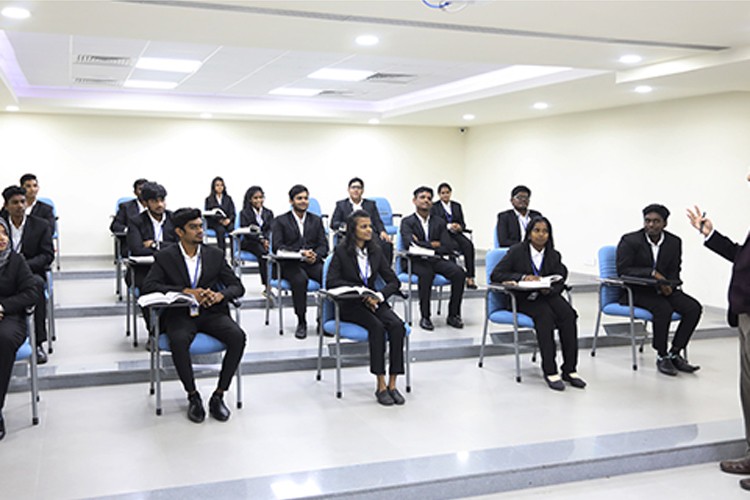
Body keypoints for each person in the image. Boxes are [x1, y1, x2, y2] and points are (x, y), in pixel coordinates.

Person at [142, 208, 246, 423]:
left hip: (210, 312)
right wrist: (185, 291)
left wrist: (219, 296)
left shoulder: (214, 254)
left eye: (201, 226)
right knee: (179, 340)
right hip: (180, 313)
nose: (200, 230)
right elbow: (149, 286)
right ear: (180, 232)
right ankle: (193, 395)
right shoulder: (165, 256)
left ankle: (218, 395)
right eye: (194, 227)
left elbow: (237, 286)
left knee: (238, 336)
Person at [686, 175, 750, 490]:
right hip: (746, 314)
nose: (749, 177)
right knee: (748, 391)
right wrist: (711, 234)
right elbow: (744, 257)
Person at [326, 210, 407, 406]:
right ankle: (380, 385)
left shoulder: (376, 251)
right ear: (353, 230)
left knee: (397, 326)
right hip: (351, 304)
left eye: (370, 226)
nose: (369, 230)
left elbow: (393, 281)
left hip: (374, 300)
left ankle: (393, 383)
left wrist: (379, 296)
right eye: (364, 227)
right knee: (377, 328)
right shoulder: (341, 252)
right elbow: (331, 282)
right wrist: (360, 291)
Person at [616, 204, 702, 376]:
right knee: (663, 309)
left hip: (665, 288)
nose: (651, 225)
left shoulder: (674, 242)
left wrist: (669, 285)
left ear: (665, 223)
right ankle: (661, 355)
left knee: (694, 308)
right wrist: (652, 274)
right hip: (637, 291)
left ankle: (675, 352)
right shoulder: (630, 240)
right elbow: (623, 271)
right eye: (647, 221)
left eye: (656, 221)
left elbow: (675, 270)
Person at [400, 186, 465, 331]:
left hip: (435, 259)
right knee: (426, 274)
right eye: (422, 197)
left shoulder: (439, 222)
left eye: (429, 198)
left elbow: (446, 246)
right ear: (414, 201)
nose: (426, 201)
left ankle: (453, 315)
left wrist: (424, 245)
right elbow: (410, 245)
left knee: (459, 273)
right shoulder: (407, 221)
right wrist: (432, 244)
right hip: (414, 261)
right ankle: (425, 316)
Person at [0, 218, 42, 440]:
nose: (1, 238)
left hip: (10, 317)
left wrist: (3, 306)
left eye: (3, 233)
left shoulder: (16, 261)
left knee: (4, 340)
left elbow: (31, 293)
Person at [2, 186, 53, 364]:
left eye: (23, 202)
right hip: (2, 274)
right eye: (15, 203)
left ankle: (38, 342)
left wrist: (21, 266)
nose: (20, 206)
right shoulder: (1, 226)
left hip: (29, 273)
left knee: (37, 287)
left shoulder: (40, 225)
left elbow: (47, 255)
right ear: (6, 206)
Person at [272, 184, 329, 339]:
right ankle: (302, 321)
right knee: (300, 280)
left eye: (305, 198)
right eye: (299, 198)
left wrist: (315, 255)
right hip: (291, 263)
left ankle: (323, 319)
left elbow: (324, 245)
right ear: (291, 201)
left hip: (312, 262)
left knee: (329, 277)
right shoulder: (280, 221)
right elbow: (277, 246)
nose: (303, 201)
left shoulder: (316, 220)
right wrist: (299, 253)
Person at [126, 182, 177, 290]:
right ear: (145, 203)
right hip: (145, 269)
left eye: (162, 200)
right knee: (148, 288)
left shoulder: (174, 218)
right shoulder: (136, 221)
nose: (160, 205)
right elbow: (137, 250)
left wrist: (155, 245)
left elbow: (181, 246)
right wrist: (169, 249)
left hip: (172, 267)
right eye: (155, 201)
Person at [330, 177, 393, 263]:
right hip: (350, 235)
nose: (356, 190)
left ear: (362, 191)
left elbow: (377, 221)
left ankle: (382, 270)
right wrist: (345, 226)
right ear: (348, 190)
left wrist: (382, 231)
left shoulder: (370, 204)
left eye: (358, 188)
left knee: (386, 244)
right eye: (353, 187)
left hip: (369, 234)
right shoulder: (341, 205)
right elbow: (334, 223)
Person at [431, 182, 477, 289]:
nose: (445, 195)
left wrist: (459, 226)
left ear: (450, 193)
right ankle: (455, 274)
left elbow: (463, 223)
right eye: (443, 193)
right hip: (443, 233)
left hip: (456, 233)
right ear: (439, 194)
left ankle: (470, 277)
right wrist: (448, 226)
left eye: (447, 192)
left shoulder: (457, 206)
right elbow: (435, 224)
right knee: (451, 246)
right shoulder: (435, 207)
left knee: (468, 245)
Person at [239, 186, 274, 287]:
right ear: (250, 199)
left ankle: (275, 279)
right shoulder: (244, 213)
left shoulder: (269, 213)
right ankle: (267, 285)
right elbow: (247, 231)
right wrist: (261, 240)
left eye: (261, 197)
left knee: (274, 252)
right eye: (256, 198)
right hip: (250, 242)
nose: (259, 200)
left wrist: (266, 240)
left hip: (265, 241)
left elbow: (271, 229)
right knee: (263, 253)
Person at [110, 178, 148, 257]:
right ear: (135, 192)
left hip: (152, 244)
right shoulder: (126, 207)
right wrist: (131, 231)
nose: (143, 192)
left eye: (146, 189)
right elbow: (115, 226)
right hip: (132, 245)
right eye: (140, 189)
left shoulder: (155, 206)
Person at [204, 176, 236, 256]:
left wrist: (229, 220)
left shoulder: (228, 198)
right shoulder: (209, 199)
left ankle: (233, 256)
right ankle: (222, 255)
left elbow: (232, 212)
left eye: (221, 185)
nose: (219, 187)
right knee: (220, 230)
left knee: (232, 229)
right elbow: (208, 214)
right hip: (215, 222)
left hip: (227, 221)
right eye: (217, 185)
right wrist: (220, 221)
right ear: (213, 187)